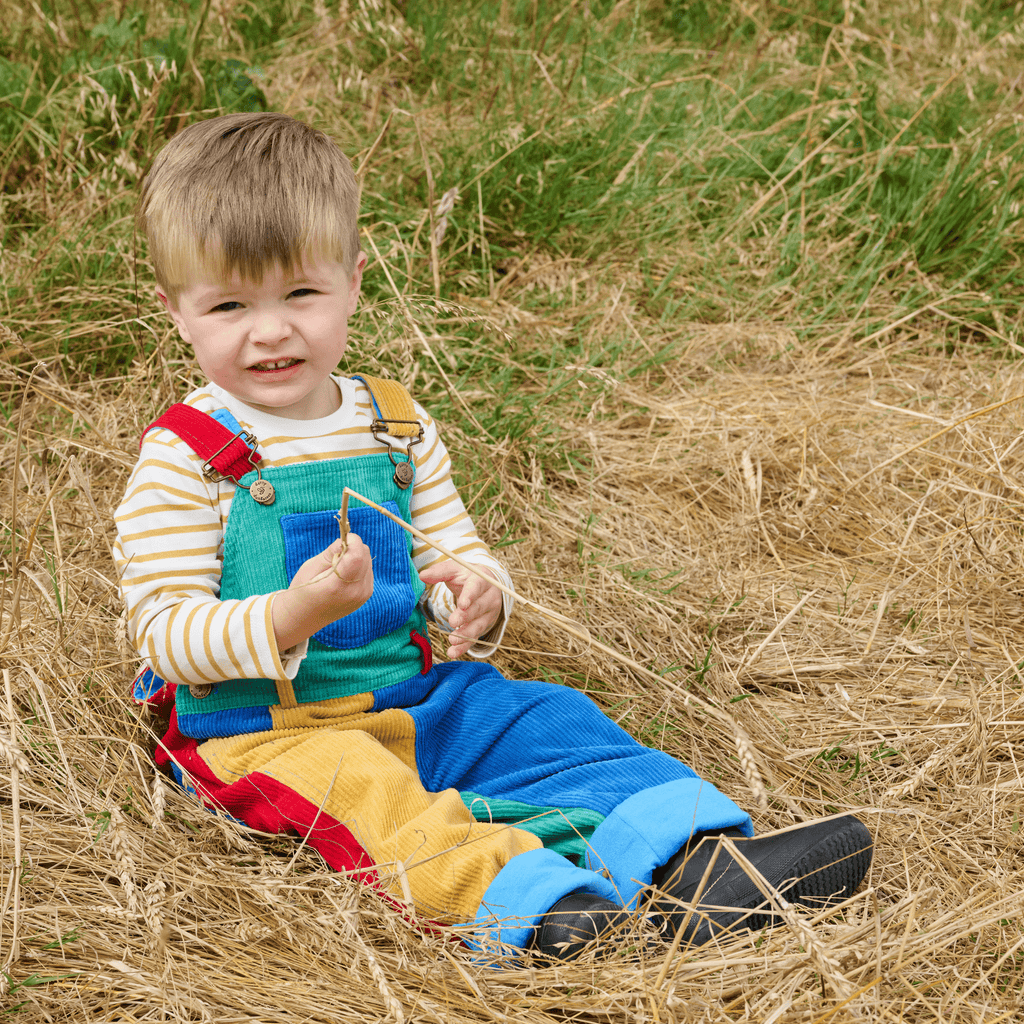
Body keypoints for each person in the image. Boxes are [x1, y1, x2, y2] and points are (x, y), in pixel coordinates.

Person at [115, 111, 872, 962]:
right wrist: (291, 615)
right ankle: (537, 903)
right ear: (176, 312)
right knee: (370, 797)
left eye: (301, 293)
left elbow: (453, 547)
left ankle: (695, 860)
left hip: (417, 696)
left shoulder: (392, 426)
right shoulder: (190, 459)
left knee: (549, 719)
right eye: (228, 304)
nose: (270, 330)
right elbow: (167, 633)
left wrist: (476, 593)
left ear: (355, 281)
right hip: (267, 728)